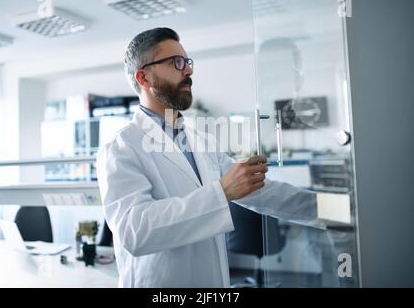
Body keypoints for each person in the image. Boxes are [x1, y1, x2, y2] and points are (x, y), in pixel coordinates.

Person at [96, 27, 324, 288]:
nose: (189, 70)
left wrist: (338, 210)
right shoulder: (121, 147)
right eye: (176, 63)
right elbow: (134, 233)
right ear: (144, 78)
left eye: (187, 62)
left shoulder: (202, 141)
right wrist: (222, 192)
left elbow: (265, 193)